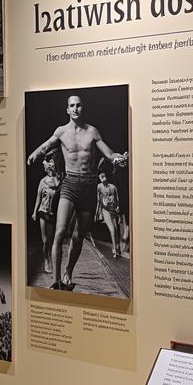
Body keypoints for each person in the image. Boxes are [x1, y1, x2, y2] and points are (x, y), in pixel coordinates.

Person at [27, 94, 129, 291]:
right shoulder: (61, 131)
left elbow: (109, 154)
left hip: (89, 187)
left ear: (83, 108)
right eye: (71, 106)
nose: (75, 108)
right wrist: (34, 154)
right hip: (70, 185)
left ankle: (68, 273)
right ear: (67, 109)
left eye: (78, 105)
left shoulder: (92, 132)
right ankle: (56, 282)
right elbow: (46, 145)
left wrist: (118, 159)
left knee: (78, 237)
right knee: (59, 232)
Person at [31, 156, 62, 274]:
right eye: (48, 169)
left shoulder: (58, 180)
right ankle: (47, 260)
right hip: (43, 212)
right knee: (45, 241)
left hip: (53, 214)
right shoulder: (42, 182)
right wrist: (34, 212)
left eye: (51, 168)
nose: (49, 170)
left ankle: (51, 259)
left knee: (52, 239)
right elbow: (38, 198)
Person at [95, 170, 122, 259]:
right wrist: (97, 213)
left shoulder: (113, 187)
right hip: (105, 210)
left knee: (115, 230)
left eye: (104, 176)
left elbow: (117, 200)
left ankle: (117, 249)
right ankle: (114, 250)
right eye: (101, 177)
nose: (103, 178)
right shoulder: (99, 187)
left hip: (113, 210)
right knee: (112, 230)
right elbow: (98, 200)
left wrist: (118, 210)